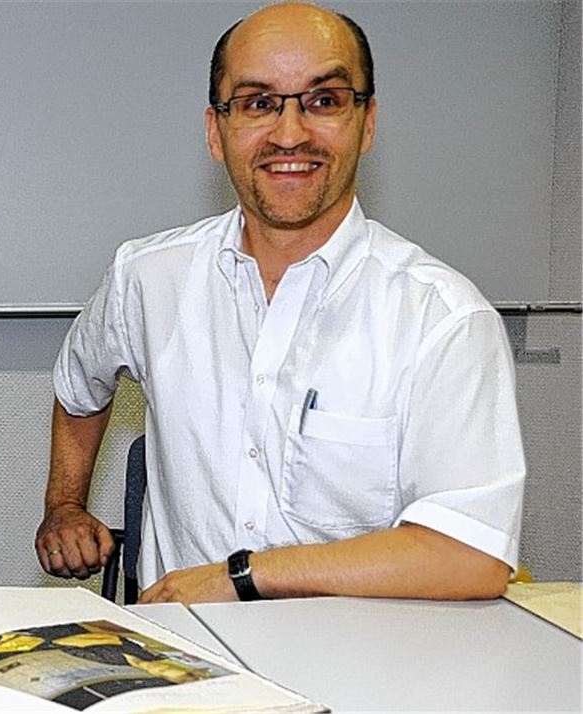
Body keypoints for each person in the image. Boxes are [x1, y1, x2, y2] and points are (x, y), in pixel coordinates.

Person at [36, 2, 524, 605]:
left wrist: (243, 575)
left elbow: (470, 556)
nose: (289, 134)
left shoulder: (442, 319)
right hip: (187, 670)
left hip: (367, 671)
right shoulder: (147, 278)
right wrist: (64, 505)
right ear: (216, 133)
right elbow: (80, 386)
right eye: (257, 103)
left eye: (323, 101)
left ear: (367, 122)